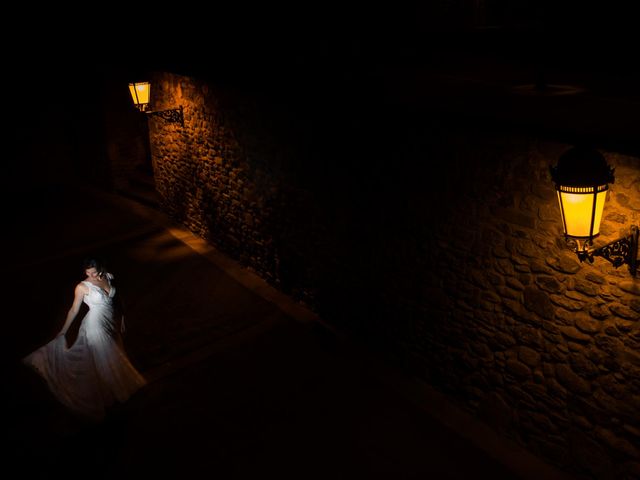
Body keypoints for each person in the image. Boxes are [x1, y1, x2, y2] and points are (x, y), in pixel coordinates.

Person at [22, 257, 147, 421]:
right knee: (107, 356)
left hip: (109, 323)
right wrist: (63, 331)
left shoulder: (109, 276)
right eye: (88, 273)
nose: (92, 275)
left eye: (94, 272)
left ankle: (108, 392)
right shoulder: (82, 287)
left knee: (106, 355)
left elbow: (117, 297)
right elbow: (74, 310)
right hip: (94, 326)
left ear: (101, 268)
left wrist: (123, 316)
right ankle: (113, 393)